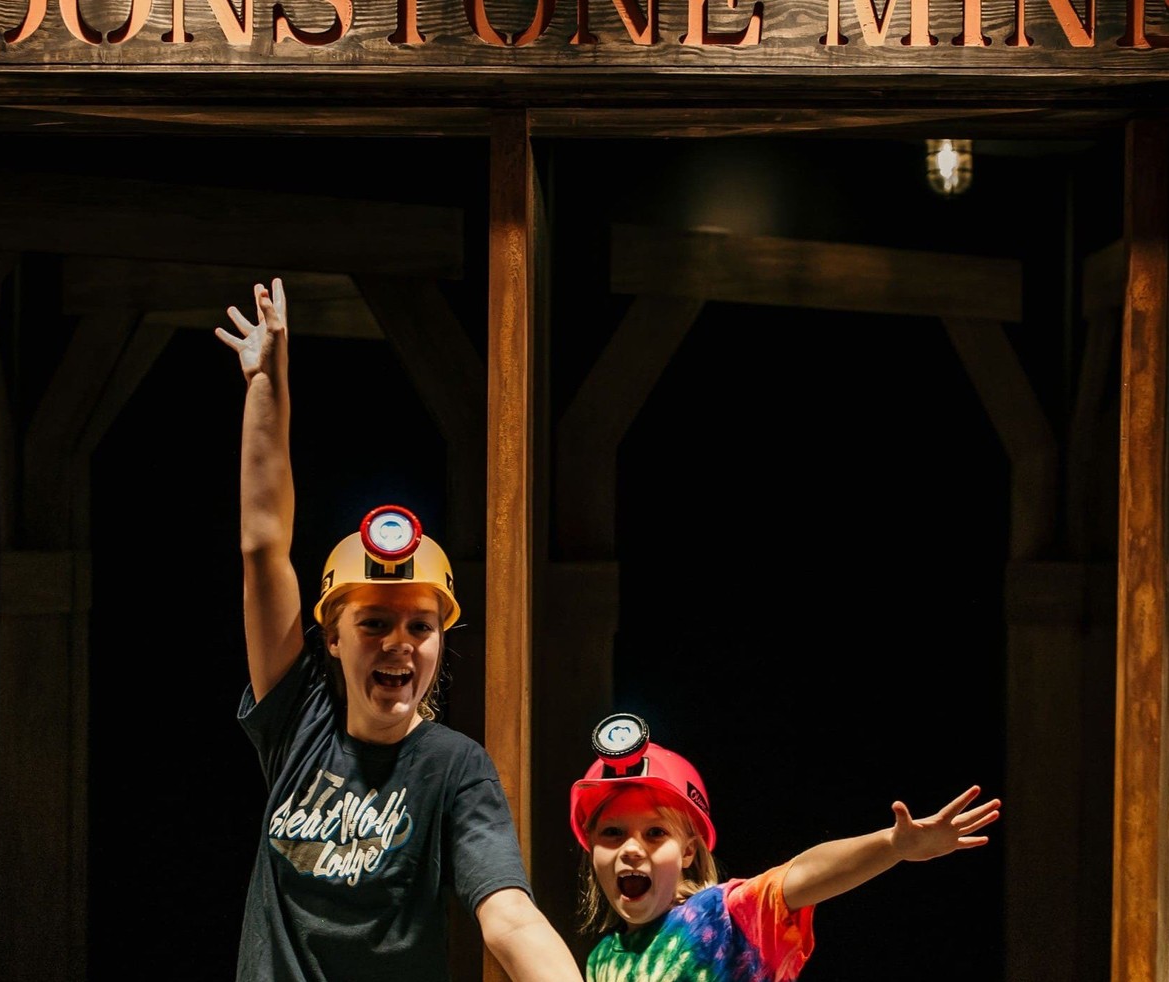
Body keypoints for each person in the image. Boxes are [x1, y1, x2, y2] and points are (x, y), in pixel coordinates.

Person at [218, 277, 583, 982]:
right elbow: (262, 547)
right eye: (375, 623)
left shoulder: (455, 768)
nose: (399, 643)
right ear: (332, 638)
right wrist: (266, 385)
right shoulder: (298, 720)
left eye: (421, 625)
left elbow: (509, 915)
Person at [567, 712, 999, 982]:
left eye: (655, 833)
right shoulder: (601, 962)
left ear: (689, 852)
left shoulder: (720, 916)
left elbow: (802, 873)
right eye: (612, 833)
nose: (631, 848)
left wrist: (891, 845)